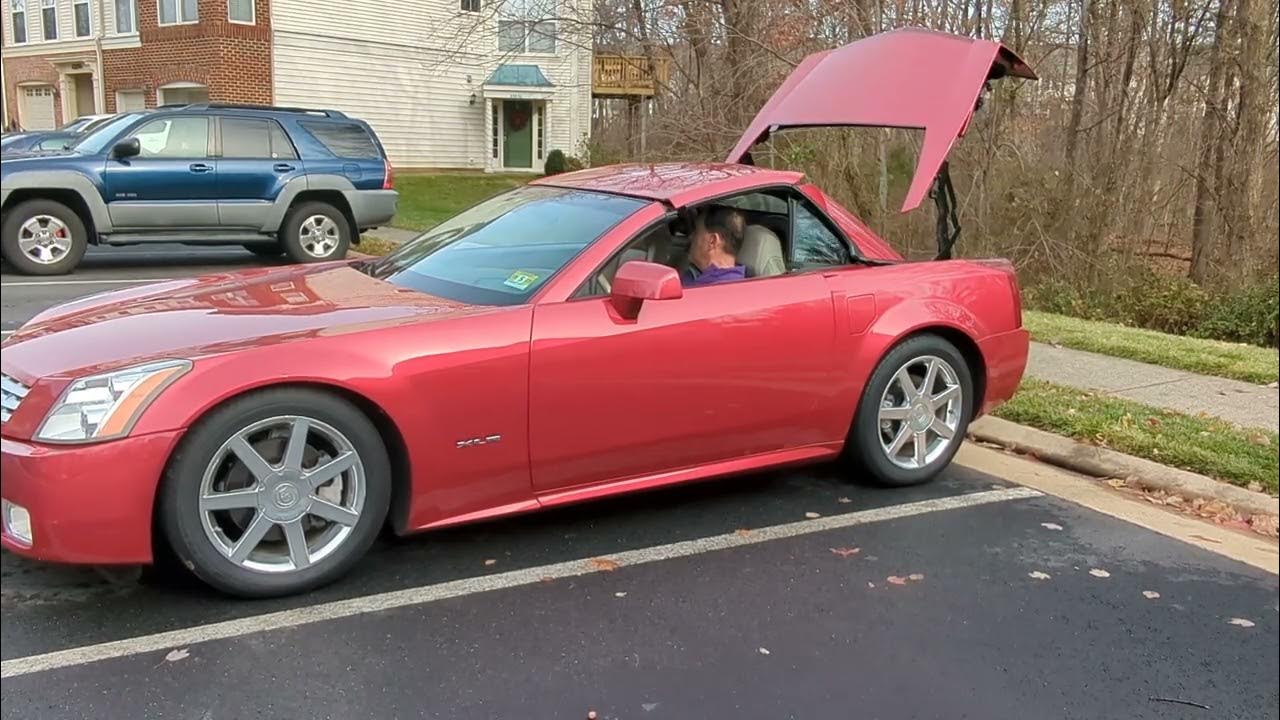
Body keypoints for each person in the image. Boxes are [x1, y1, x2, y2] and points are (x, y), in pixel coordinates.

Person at [682, 206, 747, 287]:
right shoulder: (699, 275)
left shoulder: (721, 290)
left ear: (712, 241)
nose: (691, 237)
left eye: (696, 232)